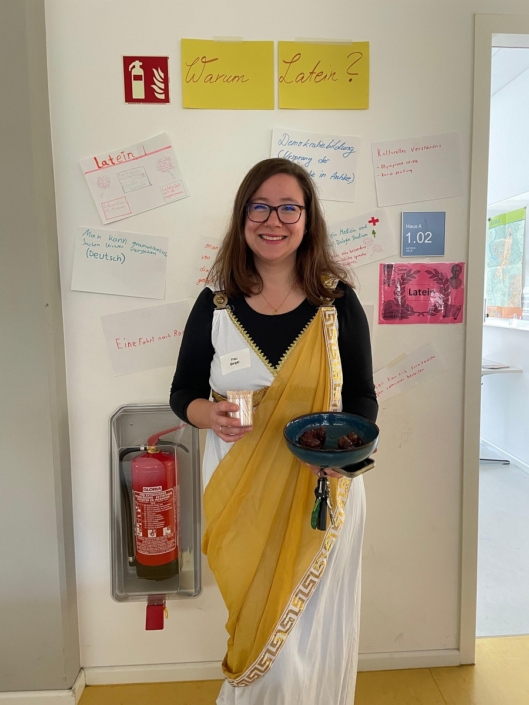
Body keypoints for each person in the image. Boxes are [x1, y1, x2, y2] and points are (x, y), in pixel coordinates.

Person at [170, 158, 378, 705]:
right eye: (260, 207)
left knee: (315, 636)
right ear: (243, 217)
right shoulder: (215, 304)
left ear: (308, 219)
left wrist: (348, 454)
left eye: (289, 208)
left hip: (322, 492)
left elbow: (362, 397)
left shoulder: (337, 303)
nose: (274, 220)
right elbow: (182, 392)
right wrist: (208, 414)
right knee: (259, 630)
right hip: (241, 493)